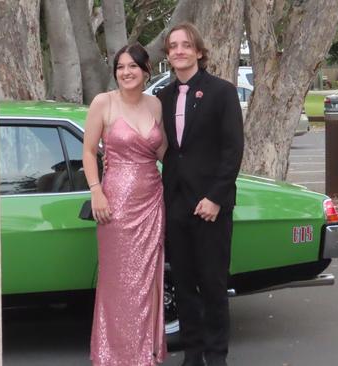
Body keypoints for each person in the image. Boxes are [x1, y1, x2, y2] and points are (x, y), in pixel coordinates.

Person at [156, 23, 244, 366]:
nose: (179, 51)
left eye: (185, 45)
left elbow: (232, 149)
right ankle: (192, 355)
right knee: (184, 286)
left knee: (212, 286)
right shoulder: (162, 98)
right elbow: (167, 150)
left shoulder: (222, 92)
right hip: (176, 204)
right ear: (168, 55)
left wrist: (216, 198)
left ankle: (216, 356)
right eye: (173, 46)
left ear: (199, 52)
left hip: (211, 206)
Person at [82, 43, 168, 366]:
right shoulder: (103, 103)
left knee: (147, 282)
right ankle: (112, 356)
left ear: (146, 71)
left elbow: (165, 154)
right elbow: (90, 152)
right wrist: (96, 191)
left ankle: (146, 354)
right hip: (114, 205)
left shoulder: (156, 105)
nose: (126, 72)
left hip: (152, 203)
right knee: (118, 283)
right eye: (120, 67)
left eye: (133, 66)